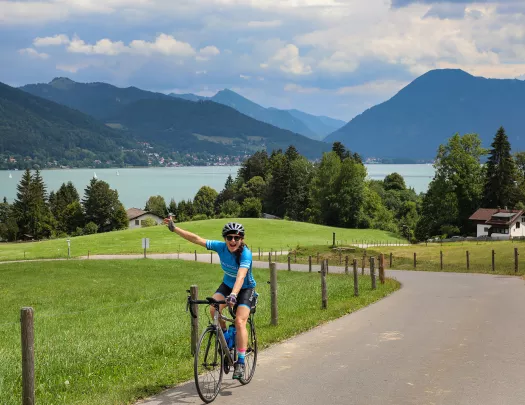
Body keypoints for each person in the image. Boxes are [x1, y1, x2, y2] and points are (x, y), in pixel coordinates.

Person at [165, 216, 256, 379]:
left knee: (240, 321)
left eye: (237, 237)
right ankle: (227, 336)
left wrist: (234, 295)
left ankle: (241, 362)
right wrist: (175, 229)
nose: (233, 240)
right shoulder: (220, 247)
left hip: (245, 289)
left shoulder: (245, 254)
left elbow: (241, 277)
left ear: (242, 239)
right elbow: (196, 239)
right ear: (225, 239)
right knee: (213, 309)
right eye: (230, 237)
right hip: (227, 284)